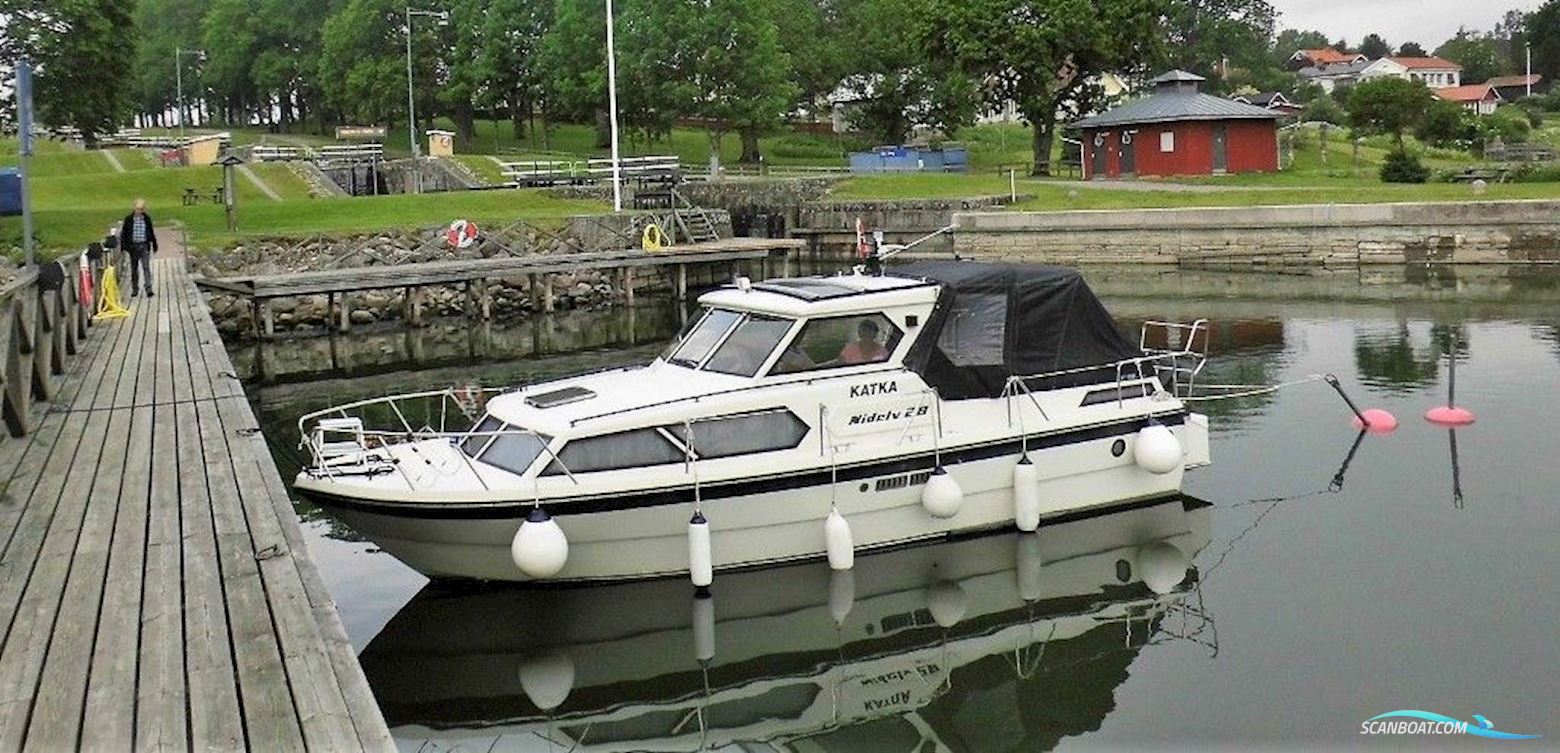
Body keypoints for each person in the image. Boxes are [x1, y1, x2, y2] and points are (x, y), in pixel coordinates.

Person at [118, 198, 158, 297]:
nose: (140, 211)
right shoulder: (128, 219)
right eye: (138, 209)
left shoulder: (146, 219)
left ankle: (148, 288)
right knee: (134, 268)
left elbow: (151, 232)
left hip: (144, 245)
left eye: (141, 209)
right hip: (133, 246)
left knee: (146, 267)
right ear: (134, 208)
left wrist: (154, 244)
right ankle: (135, 288)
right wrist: (124, 246)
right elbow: (124, 233)